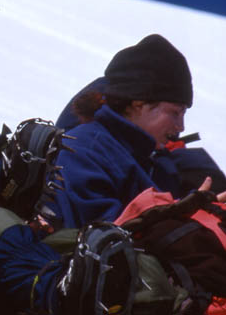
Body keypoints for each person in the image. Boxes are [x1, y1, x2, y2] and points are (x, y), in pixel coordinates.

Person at [43, 33, 219, 229]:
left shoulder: (148, 158)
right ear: (139, 103)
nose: (181, 127)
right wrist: (192, 218)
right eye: (175, 113)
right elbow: (106, 236)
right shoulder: (83, 152)